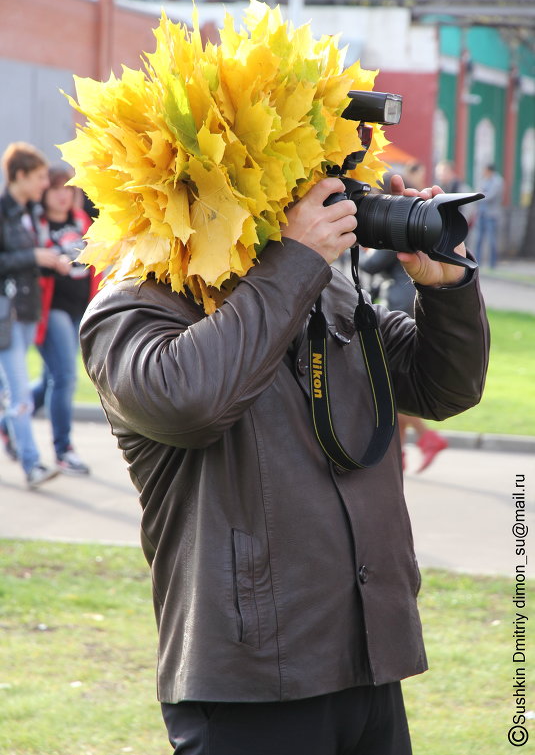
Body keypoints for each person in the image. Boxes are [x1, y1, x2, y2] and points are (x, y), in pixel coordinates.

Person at [80, 171, 489, 755]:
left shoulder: (329, 289)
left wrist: (446, 286)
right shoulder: (133, 306)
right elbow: (190, 402)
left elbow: (444, 386)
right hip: (250, 679)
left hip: (367, 656)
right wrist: (296, 263)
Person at [0, 142, 70, 488]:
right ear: (21, 175)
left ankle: (8, 428)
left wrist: (51, 260)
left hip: (27, 312)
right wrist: (36, 258)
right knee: (21, 397)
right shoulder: (3, 211)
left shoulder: (29, 212)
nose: (46, 184)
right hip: (7, 316)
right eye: (40, 177)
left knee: (15, 392)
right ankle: (32, 465)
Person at [31, 166, 98, 475]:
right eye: (57, 188)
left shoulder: (81, 220)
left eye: (69, 189)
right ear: (45, 192)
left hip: (78, 307)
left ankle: (7, 422)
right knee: (66, 377)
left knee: (50, 379)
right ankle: (64, 449)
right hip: (50, 309)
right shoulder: (37, 225)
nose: (63, 194)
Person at [359, 247, 449, 472]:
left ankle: (426, 437)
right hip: (411, 303)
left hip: (401, 308)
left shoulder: (395, 232)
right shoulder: (418, 228)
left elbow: (369, 265)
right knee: (394, 385)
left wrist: (366, 249)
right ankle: (397, 457)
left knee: (389, 388)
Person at [475, 164, 504, 269]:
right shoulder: (484, 180)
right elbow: (478, 191)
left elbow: (491, 196)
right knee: (478, 239)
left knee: (492, 240)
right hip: (481, 214)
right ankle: (477, 263)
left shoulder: (497, 181)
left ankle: (492, 264)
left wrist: (480, 196)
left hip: (491, 215)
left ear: (489, 171)